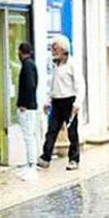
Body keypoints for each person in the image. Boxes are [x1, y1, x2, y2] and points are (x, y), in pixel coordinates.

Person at [38, 35, 85, 171]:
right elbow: (53, 86)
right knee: (52, 130)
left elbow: (80, 85)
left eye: (55, 48)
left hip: (69, 101)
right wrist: (48, 101)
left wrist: (77, 103)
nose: (53, 51)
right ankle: (46, 157)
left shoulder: (72, 64)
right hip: (57, 101)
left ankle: (74, 159)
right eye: (52, 48)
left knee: (72, 132)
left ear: (64, 49)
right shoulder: (55, 66)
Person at [17, 42, 39, 180]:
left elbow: (30, 85)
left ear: (20, 52)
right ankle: (29, 163)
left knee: (29, 137)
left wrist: (25, 103)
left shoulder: (27, 65)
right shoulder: (30, 64)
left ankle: (32, 165)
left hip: (28, 108)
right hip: (30, 106)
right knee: (29, 136)